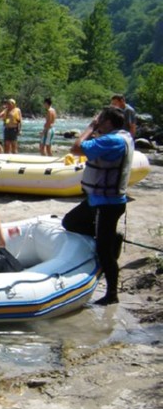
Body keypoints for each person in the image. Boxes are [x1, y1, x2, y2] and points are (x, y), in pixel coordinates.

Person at [62, 106, 133, 305]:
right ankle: (110, 238)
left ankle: (112, 295)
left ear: (108, 122)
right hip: (99, 200)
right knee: (70, 222)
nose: (98, 122)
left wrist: (91, 126)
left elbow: (76, 148)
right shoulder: (124, 136)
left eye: (101, 120)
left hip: (107, 204)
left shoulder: (112, 141)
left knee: (104, 252)